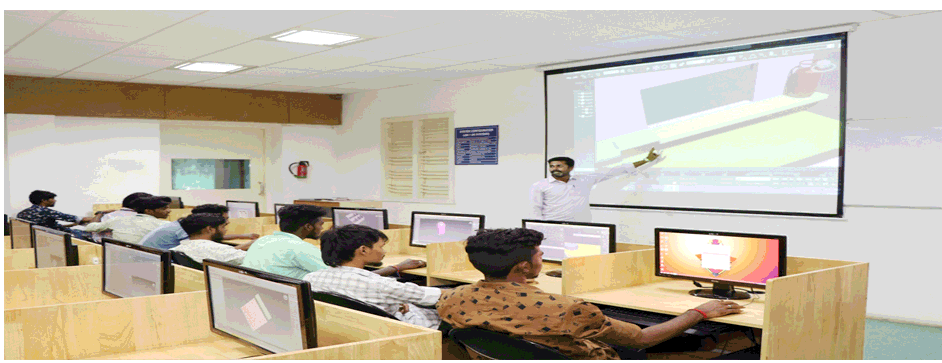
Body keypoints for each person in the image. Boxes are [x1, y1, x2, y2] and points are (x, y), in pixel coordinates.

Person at [438, 228, 743, 360]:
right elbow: (642, 338)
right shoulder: (566, 308)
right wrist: (700, 312)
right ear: (523, 266)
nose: (543, 259)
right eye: (540, 255)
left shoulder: (451, 298)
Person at [303, 224, 440, 329]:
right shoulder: (380, 285)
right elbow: (434, 296)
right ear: (363, 250)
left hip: (352, 328)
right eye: (381, 247)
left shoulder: (309, 279)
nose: (384, 251)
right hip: (403, 329)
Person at [242, 204, 423, 280]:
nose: (323, 228)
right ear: (307, 227)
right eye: (320, 224)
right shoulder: (299, 248)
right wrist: (397, 267)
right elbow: (343, 280)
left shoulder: (263, 241)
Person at [530, 148, 660, 222]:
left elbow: (615, 170)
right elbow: (535, 209)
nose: (554, 169)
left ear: (570, 167)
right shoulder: (540, 185)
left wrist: (646, 160)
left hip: (582, 226)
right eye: (552, 166)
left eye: (559, 166)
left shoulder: (584, 180)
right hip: (553, 227)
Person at [140, 204, 259, 250]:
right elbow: (212, 254)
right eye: (224, 220)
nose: (227, 222)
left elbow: (209, 238)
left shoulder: (183, 226)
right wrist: (248, 245)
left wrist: (242, 236)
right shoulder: (181, 233)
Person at [83, 196, 172, 244]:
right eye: (164, 208)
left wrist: (100, 213)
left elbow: (89, 227)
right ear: (148, 211)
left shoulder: (118, 220)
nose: (169, 210)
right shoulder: (164, 225)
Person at [16, 190, 99, 240]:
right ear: (43, 200)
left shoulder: (22, 213)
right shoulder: (46, 211)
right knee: (92, 236)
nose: (54, 201)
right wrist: (100, 214)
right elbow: (78, 218)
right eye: (52, 198)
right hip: (55, 238)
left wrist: (74, 225)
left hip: (40, 237)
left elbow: (46, 226)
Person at [170, 213, 251, 265]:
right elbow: (252, 258)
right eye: (223, 227)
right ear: (210, 229)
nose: (225, 230)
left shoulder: (178, 248)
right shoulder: (216, 249)